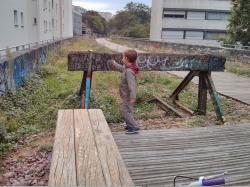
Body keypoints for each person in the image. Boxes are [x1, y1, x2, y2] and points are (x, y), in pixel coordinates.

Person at [110, 50, 140, 134]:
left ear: (126, 58)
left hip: (128, 96)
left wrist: (133, 97)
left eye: (123, 57)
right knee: (128, 110)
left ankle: (134, 127)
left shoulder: (129, 72)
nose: (122, 58)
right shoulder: (128, 68)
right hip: (127, 95)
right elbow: (122, 68)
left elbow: (132, 85)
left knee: (125, 111)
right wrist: (114, 63)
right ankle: (130, 125)